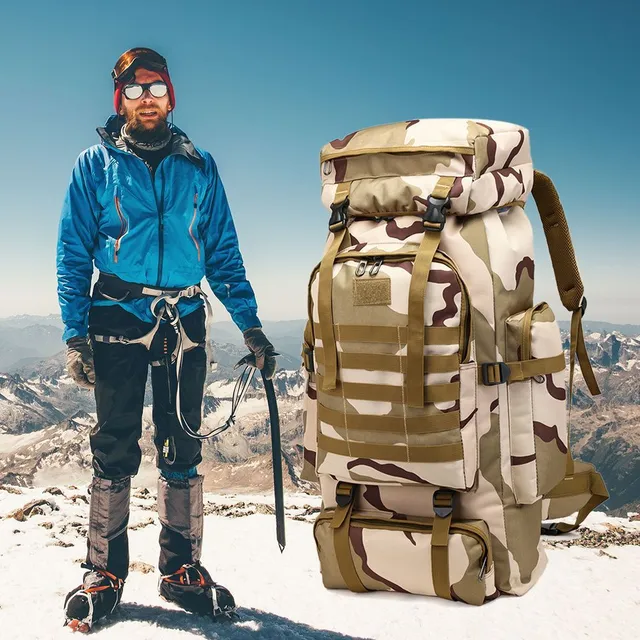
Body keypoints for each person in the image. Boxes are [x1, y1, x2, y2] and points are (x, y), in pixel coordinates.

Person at [56, 47, 277, 631]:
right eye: (133, 90)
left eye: (155, 87)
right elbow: (73, 252)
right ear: (119, 101)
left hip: (184, 318)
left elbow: (223, 252)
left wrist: (250, 323)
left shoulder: (199, 167)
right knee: (116, 443)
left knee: (182, 443)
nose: (145, 97)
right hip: (116, 316)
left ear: (170, 96)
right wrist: (76, 333)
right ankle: (104, 572)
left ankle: (181, 570)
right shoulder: (94, 166)